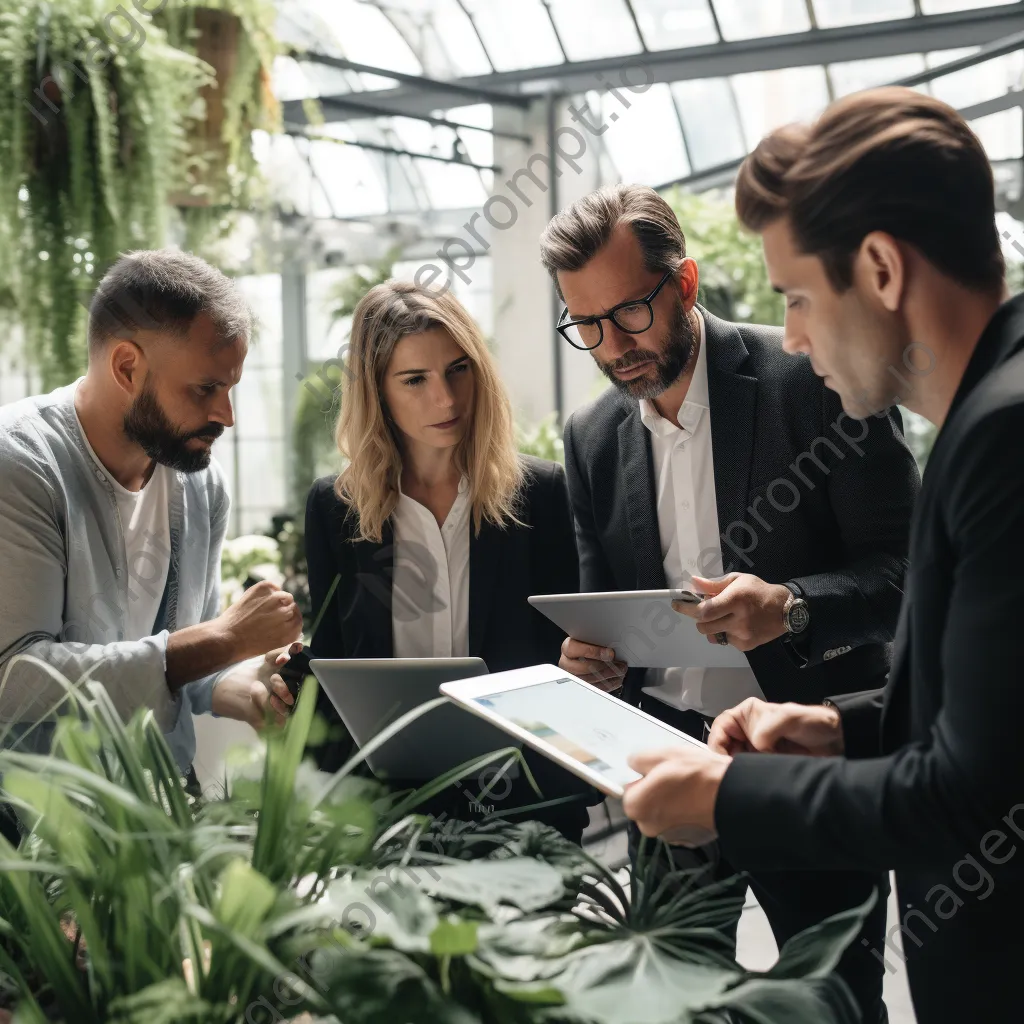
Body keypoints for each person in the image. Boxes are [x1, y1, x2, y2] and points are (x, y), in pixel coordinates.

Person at [621, 86, 1024, 1024]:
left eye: (799, 297)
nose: (793, 337)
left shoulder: (1004, 439)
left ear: (881, 268)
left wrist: (731, 801)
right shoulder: (990, 418)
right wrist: (844, 730)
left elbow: (973, 801)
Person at [539, 183, 921, 1022]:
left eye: (630, 313)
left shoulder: (811, 378)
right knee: (671, 1003)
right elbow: (603, 599)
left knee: (838, 1001)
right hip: (664, 757)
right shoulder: (593, 436)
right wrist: (588, 660)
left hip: (805, 751)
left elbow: (910, 574)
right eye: (587, 326)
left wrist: (792, 606)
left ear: (684, 283)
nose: (614, 347)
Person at [0, 250, 301, 829]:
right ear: (127, 367)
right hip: (30, 847)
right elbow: (14, 678)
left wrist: (247, 686)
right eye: (206, 388)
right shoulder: (21, 466)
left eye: (231, 387)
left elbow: (185, 669)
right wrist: (218, 640)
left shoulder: (198, 479)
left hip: (155, 821)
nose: (227, 414)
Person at [304, 280, 597, 844]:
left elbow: (564, 663)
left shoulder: (539, 492)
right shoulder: (334, 509)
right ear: (376, 391)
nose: (446, 399)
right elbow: (336, 675)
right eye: (415, 380)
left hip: (526, 804)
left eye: (458, 369)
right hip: (389, 814)